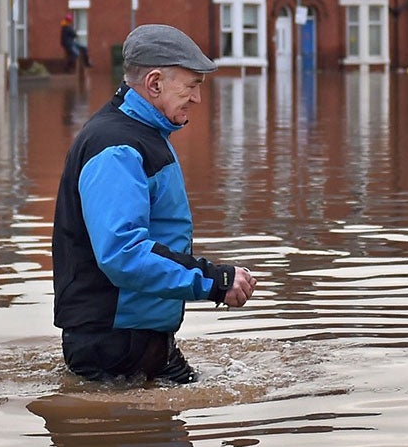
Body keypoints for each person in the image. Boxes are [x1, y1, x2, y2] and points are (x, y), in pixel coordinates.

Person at [51, 23, 256, 384]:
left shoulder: (142, 134)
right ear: (155, 83)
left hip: (139, 336)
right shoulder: (117, 147)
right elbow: (123, 253)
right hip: (114, 343)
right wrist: (213, 280)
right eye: (191, 86)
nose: (196, 99)